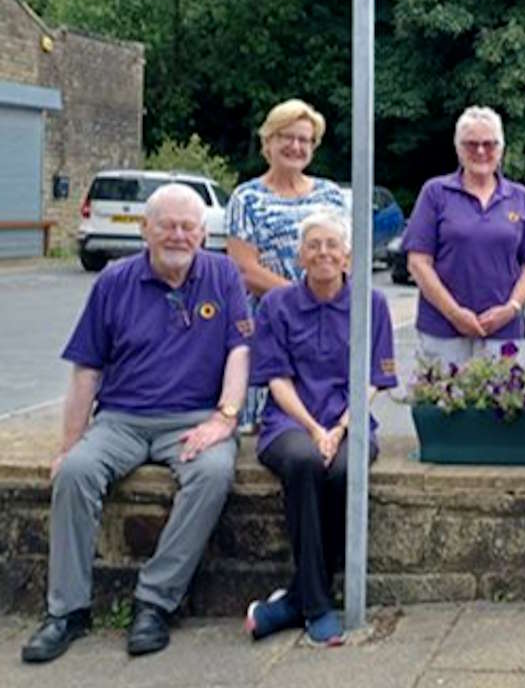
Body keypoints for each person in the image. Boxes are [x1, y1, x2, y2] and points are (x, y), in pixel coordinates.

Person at [21, 184, 251, 663]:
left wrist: (224, 418)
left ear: (203, 234)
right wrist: (70, 443)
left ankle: (154, 602)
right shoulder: (113, 281)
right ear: (146, 230)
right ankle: (67, 610)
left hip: (193, 418)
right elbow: (87, 368)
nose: (178, 235)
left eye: (189, 226)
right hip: (122, 419)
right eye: (166, 225)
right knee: (76, 472)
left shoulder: (224, 275)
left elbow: (239, 350)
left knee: (212, 473)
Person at [242, 210, 398, 647]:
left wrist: (340, 427)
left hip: (348, 419)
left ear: (348, 255)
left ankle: (297, 598)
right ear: (300, 256)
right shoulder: (276, 305)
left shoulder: (373, 304)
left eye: (332, 245)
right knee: (305, 462)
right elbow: (276, 378)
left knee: (347, 473)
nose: (323, 253)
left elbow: (373, 378)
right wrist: (315, 429)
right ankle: (317, 606)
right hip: (289, 422)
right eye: (314, 246)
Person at [225, 98, 347, 426]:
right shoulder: (246, 198)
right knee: (270, 419)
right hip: (268, 319)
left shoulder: (332, 196)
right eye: (286, 137)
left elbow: (344, 258)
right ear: (268, 142)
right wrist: (298, 298)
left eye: (304, 139)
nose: (295, 146)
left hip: (326, 318)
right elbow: (244, 269)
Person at [403, 106, 525, 366]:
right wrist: (454, 313)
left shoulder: (519, 197)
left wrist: (512, 308)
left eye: (489, 144)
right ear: (458, 149)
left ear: (501, 148)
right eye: (471, 144)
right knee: (443, 404)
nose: (481, 151)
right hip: (443, 330)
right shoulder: (435, 193)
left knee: (500, 404)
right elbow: (418, 262)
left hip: (502, 331)